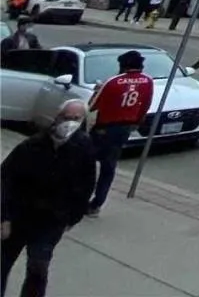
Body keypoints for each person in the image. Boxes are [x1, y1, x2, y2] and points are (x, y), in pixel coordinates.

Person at [0, 99, 96, 297]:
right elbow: (6, 179)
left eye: (76, 118)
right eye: (66, 117)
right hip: (20, 214)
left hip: (51, 220)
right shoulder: (32, 145)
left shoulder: (83, 149)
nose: (69, 122)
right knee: (2, 262)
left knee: (38, 267)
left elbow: (86, 186)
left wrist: (73, 217)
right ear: (57, 117)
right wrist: (4, 217)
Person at [84, 50, 154, 217]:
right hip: (124, 128)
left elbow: (92, 106)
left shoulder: (113, 82)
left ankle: (81, 197)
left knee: (87, 162)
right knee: (109, 167)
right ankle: (97, 204)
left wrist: (97, 91)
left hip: (104, 128)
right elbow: (146, 105)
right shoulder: (147, 81)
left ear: (123, 65)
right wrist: (136, 122)